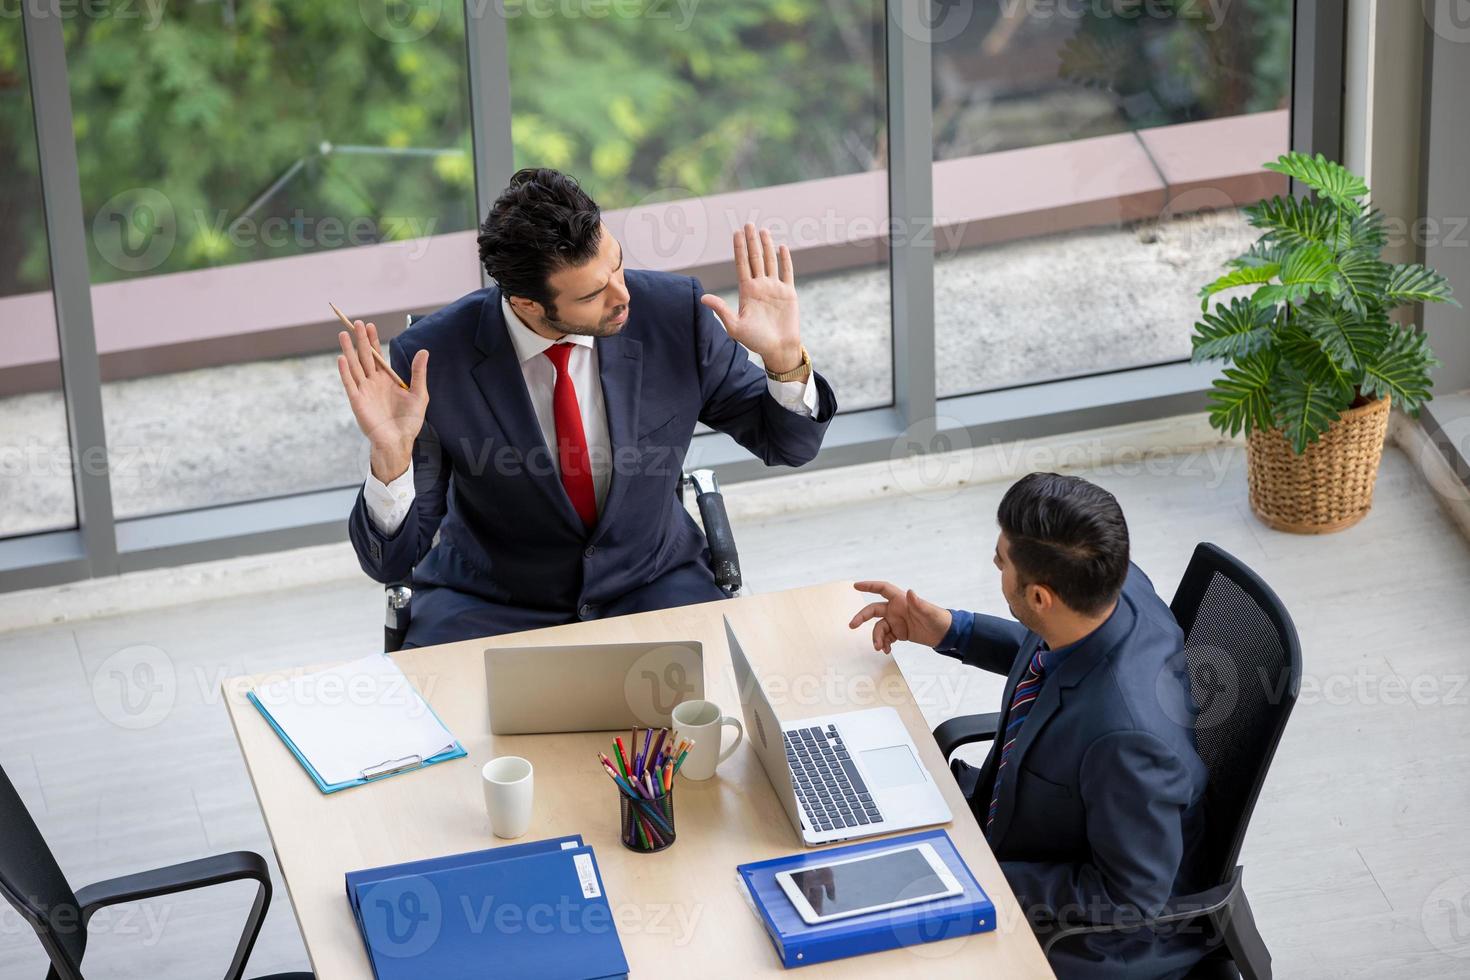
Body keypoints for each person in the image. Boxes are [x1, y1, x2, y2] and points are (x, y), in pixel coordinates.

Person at [337, 168, 836, 647]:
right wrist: (390, 456)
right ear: (527, 303)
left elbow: (788, 445)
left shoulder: (674, 314)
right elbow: (391, 562)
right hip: (491, 605)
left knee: (711, 718)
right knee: (447, 728)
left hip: (652, 586)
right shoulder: (431, 360)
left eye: (616, 264)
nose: (623, 296)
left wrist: (784, 359)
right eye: (595, 293)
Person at [849, 472, 1212, 979]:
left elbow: (1130, 898)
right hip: (1021, 824)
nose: (995, 567)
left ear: (1040, 597)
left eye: (1002, 563)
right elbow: (1045, 646)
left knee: (867, 942)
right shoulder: (1109, 588)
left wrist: (979, 874)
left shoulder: (1127, 740)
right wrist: (952, 631)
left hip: (1079, 936)